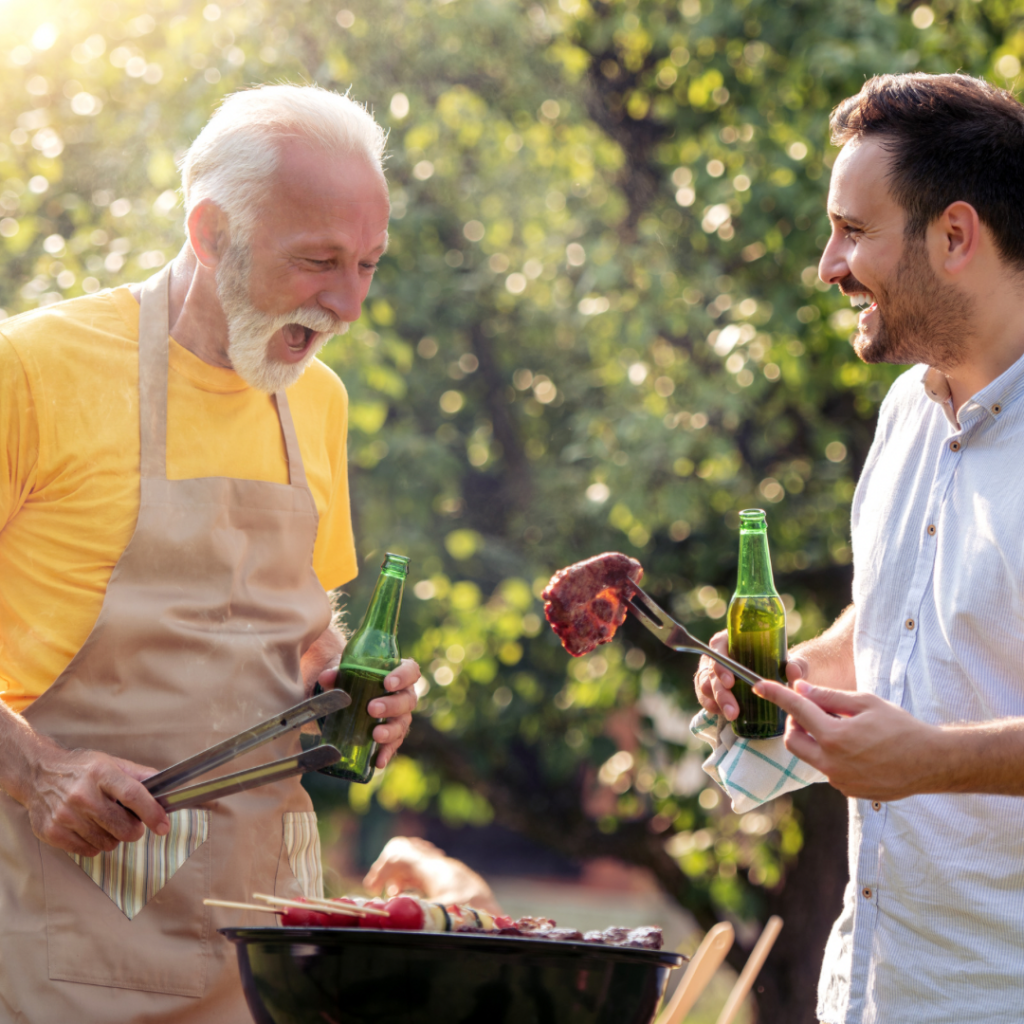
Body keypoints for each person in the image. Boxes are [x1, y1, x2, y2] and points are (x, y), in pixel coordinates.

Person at [0, 84, 421, 1022]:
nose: (347, 302)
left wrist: (344, 681)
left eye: (368, 266)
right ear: (210, 232)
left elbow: (298, 622)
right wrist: (38, 771)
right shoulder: (32, 370)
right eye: (317, 261)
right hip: (52, 937)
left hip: (258, 943)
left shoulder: (318, 398)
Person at [694, 73, 1024, 1024]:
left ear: (955, 236)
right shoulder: (906, 410)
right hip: (870, 988)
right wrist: (797, 669)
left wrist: (930, 759)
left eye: (853, 230)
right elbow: (905, 620)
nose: (828, 264)